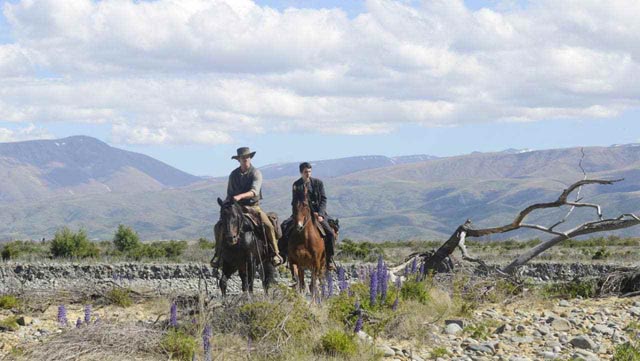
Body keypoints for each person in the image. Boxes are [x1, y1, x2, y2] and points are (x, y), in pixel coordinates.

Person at [210, 147, 283, 271]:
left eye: (247, 157)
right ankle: (218, 254)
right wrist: (227, 203)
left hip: (253, 207)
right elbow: (230, 193)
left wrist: (240, 196)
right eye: (242, 158)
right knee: (219, 226)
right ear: (238, 160)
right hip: (235, 207)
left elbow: (254, 191)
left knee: (268, 225)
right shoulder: (234, 174)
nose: (245, 159)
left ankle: (275, 253)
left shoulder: (256, 173)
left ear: (250, 158)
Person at [291, 162, 336, 270]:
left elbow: (324, 199)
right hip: (301, 214)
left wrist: (320, 214)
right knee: (286, 229)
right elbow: (294, 202)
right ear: (301, 172)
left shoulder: (318, 183)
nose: (308, 174)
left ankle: (329, 259)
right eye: (306, 172)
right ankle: (286, 257)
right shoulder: (296, 185)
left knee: (330, 233)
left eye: (309, 172)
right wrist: (298, 214)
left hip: (318, 213)